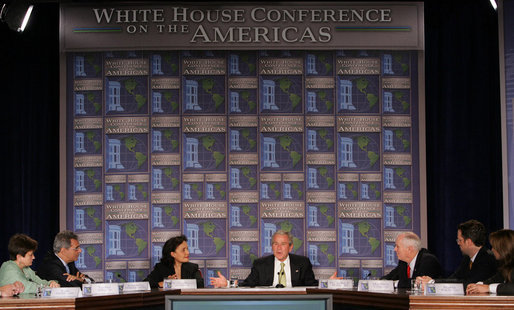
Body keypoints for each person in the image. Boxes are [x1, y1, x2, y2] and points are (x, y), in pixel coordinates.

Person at [210, 230, 330, 288]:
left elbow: (312, 285)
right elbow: (247, 285)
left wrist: (329, 284)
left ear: (290, 247)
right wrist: (227, 284)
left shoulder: (302, 263)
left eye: (283, 244)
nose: (278, 248)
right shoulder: (261, 264)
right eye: (275, 244)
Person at [418, 220, 497, 287]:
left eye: (460, 240)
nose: (458, 243)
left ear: (469, 242)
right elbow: (454, 278)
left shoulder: (487, 258)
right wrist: (432, 281)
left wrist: (433, 283)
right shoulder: (467, 258)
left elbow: (469, 283)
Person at [466, 229, 514, 295]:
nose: (492, 250)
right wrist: (477, 285)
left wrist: (489, 288)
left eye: (494, 247)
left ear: (503, 248)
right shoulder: (507, 265)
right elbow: (496, 279)